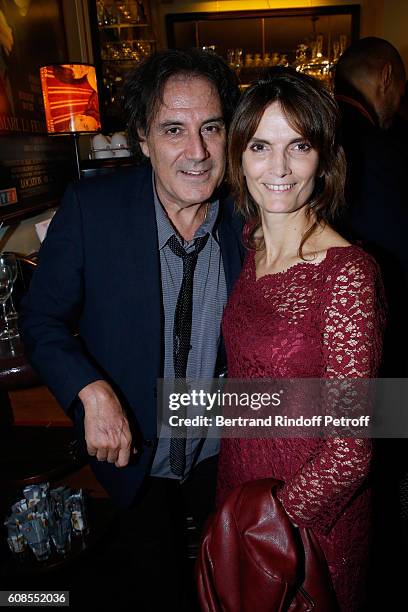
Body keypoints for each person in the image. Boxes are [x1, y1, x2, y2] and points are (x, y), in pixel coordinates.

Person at [19, 48, 243, 610]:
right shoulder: (93, 209)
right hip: (136, 454)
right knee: (152, 584)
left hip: (228, 454)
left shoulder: (254, 214)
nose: (197, 152)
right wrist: (89, 391)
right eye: (174, 129)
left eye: (211, 127)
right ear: (142, 138)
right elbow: (41, 319)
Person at [213, 67, 385, 611]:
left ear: (324, 158)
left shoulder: (348, 275)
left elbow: (350, 453)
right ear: (239, 155)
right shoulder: (253, 243)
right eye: (261, 145)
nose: (279, 168)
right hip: (239, 495)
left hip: (307, 527)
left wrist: (266, 526)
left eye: (299, 145)